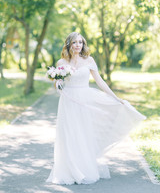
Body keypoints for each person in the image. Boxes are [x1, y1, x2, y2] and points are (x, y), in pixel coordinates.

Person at [46, 32, 146, 185]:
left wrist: (115, 98)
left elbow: (100, 82)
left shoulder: (89, 60)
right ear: (69, 45)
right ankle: (69, 170)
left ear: (83, 44)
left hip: (85, 99)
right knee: (69, 134)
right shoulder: (62, 61)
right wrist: (57, 83)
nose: (78, 45)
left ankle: (84, 168)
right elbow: (58, 83)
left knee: (83, 133)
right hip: (68, 102)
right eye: (74, 42)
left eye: (80, 42)